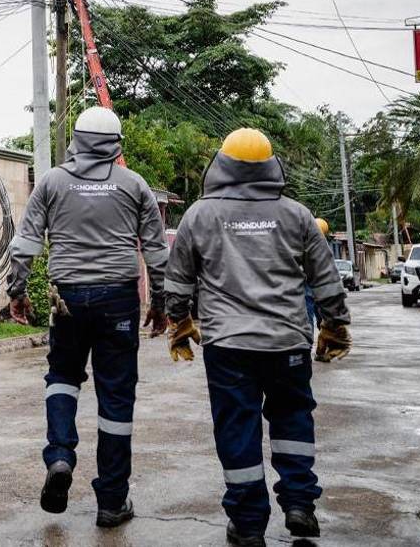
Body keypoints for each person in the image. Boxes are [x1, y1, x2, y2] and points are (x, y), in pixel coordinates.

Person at [164, 128, 352, 547]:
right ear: (270, 166)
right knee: (292, 417)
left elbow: (177, 281)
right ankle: (299, 503)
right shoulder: (297, 215)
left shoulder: (199, 215)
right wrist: (335, 324)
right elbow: (325, 279)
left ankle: (248, 523)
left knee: (237, 428)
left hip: (228, 346)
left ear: (221, 165)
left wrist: (179, 322)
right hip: (288, 342)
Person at [7, 106, 170, 529]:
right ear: (117, 144)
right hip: (119, 298)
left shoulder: (52, 182)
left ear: (76, 140)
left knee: (62, 376)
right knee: (116, 395)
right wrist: (161, 301)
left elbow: (26, 242)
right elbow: (156, 252)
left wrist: (17, 292)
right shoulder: (134, 185)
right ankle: (112, 501)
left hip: (67, 298)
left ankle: (60, 456)